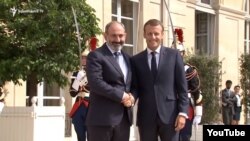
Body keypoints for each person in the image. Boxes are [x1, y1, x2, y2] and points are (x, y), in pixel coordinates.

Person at [130, 19, 189, 141]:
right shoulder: (136, 60)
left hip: (171, 116)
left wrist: (183, 113)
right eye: (149, 33)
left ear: (162, 35)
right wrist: (130, 98)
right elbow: (135, 87)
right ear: (144, 34)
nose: (153, 37)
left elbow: (182, 88)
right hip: (146, 116)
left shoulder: (174, 55)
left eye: (156, 33)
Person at [85, 21, 134, 141]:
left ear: (125, 36)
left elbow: (133, 85)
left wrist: (132, 97)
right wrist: (122, 96)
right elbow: (96, 83)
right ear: (105, 35)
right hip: (101, 121)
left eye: (121, 36)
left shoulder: (128, 58)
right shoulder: (95, 55)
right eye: (114, 35)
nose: (118, 39)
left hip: (123, 121)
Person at [175, 39, 203, 141]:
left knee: (184, 136)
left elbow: (197, 91)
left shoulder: (189, 69)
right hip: (169, 106)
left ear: (183, 53)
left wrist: (199, 113)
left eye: (179, 52)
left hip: (185, 105)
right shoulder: (165, 68)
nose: (177, 55)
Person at [69, 51, 90, 141]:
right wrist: (77, 79)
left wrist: (84, 79)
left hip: (90, 105)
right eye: (82, 58)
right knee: (80, 135)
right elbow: (72, 93)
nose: (84, 60)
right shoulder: (76, 73)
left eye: (86, 58)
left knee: (91, 135)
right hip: (79, 105)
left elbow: (92, 89)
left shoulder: (94, 72)